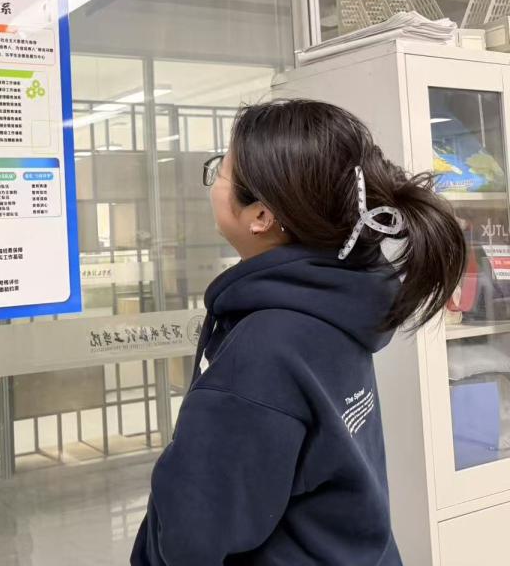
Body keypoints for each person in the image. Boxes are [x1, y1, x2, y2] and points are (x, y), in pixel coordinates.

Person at [131, 99, 466, 566]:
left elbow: (190, 538)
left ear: (260, 216)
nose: (214, 181)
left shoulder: (265, 349)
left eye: (221, 169)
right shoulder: (339, 300)